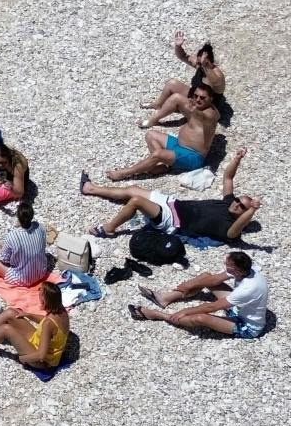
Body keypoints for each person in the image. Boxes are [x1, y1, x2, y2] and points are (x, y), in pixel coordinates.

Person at [80, 146, 262, 241]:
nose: (236, 204)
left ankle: (109, 229)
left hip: (171, 221)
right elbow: (228, 178)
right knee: (133, 189)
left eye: (241, 207)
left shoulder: (230, 227)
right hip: (173, 204)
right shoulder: (228, 203)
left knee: (136, 201)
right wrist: (237, 159)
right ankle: (91, 189)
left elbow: (233, 233)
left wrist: (251, 211)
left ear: (244, 214)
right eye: (238, 200)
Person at [128, 250, 272, 338]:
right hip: (240, 308)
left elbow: (212, 307)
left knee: (199, 318)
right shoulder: (247, 270)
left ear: (238, 271)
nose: (225, 267)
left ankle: (158, 315)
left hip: (248, 326)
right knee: (206, 277)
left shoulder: (247, 288)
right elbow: (214, 279)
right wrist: (190, 284)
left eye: (228, 266)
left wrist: (185, 310)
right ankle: (165, 298)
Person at [108, 80, 219, 181]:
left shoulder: (210, 114)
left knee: (158, 154)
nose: (198, 99)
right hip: (178, 145)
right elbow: (184, 102)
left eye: (202, 98)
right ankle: (163, 165)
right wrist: (192, 108)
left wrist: (195, 111)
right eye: (196, 96)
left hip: (193, 157)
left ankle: (124, 173)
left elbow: (206, 118)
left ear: (211, 99)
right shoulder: (196, 107)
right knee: (150, 135)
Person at [0, 280, 70, 368]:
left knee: (6, 329)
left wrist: (23, 359)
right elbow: (48, 322)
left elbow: (41, 356)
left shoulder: (48, 325)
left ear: (45, 301)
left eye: (40, 297)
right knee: (11, 312)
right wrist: (28, 315)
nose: (39, 299)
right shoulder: (61, 311)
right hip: (38, 341)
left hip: (43, 362)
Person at [140, 31, 227, 122]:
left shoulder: (217, 75)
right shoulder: (199, 64)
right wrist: (178, 46)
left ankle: (152, 120)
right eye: (198, 62)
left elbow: (216, 81)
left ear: (210, 62)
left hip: (207, 109)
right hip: (195, 97)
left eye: (203, 63)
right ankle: (158, 104)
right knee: (171, 83)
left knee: (176, 98)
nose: (198, 65)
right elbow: (183, 56)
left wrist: (204, 65)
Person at [0, 198, 52, 288]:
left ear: (18, 217)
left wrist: (4, 247)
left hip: (23, 279)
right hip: (41, 272)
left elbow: (4, 259)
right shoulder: (40, 227)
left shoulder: (12, 236)